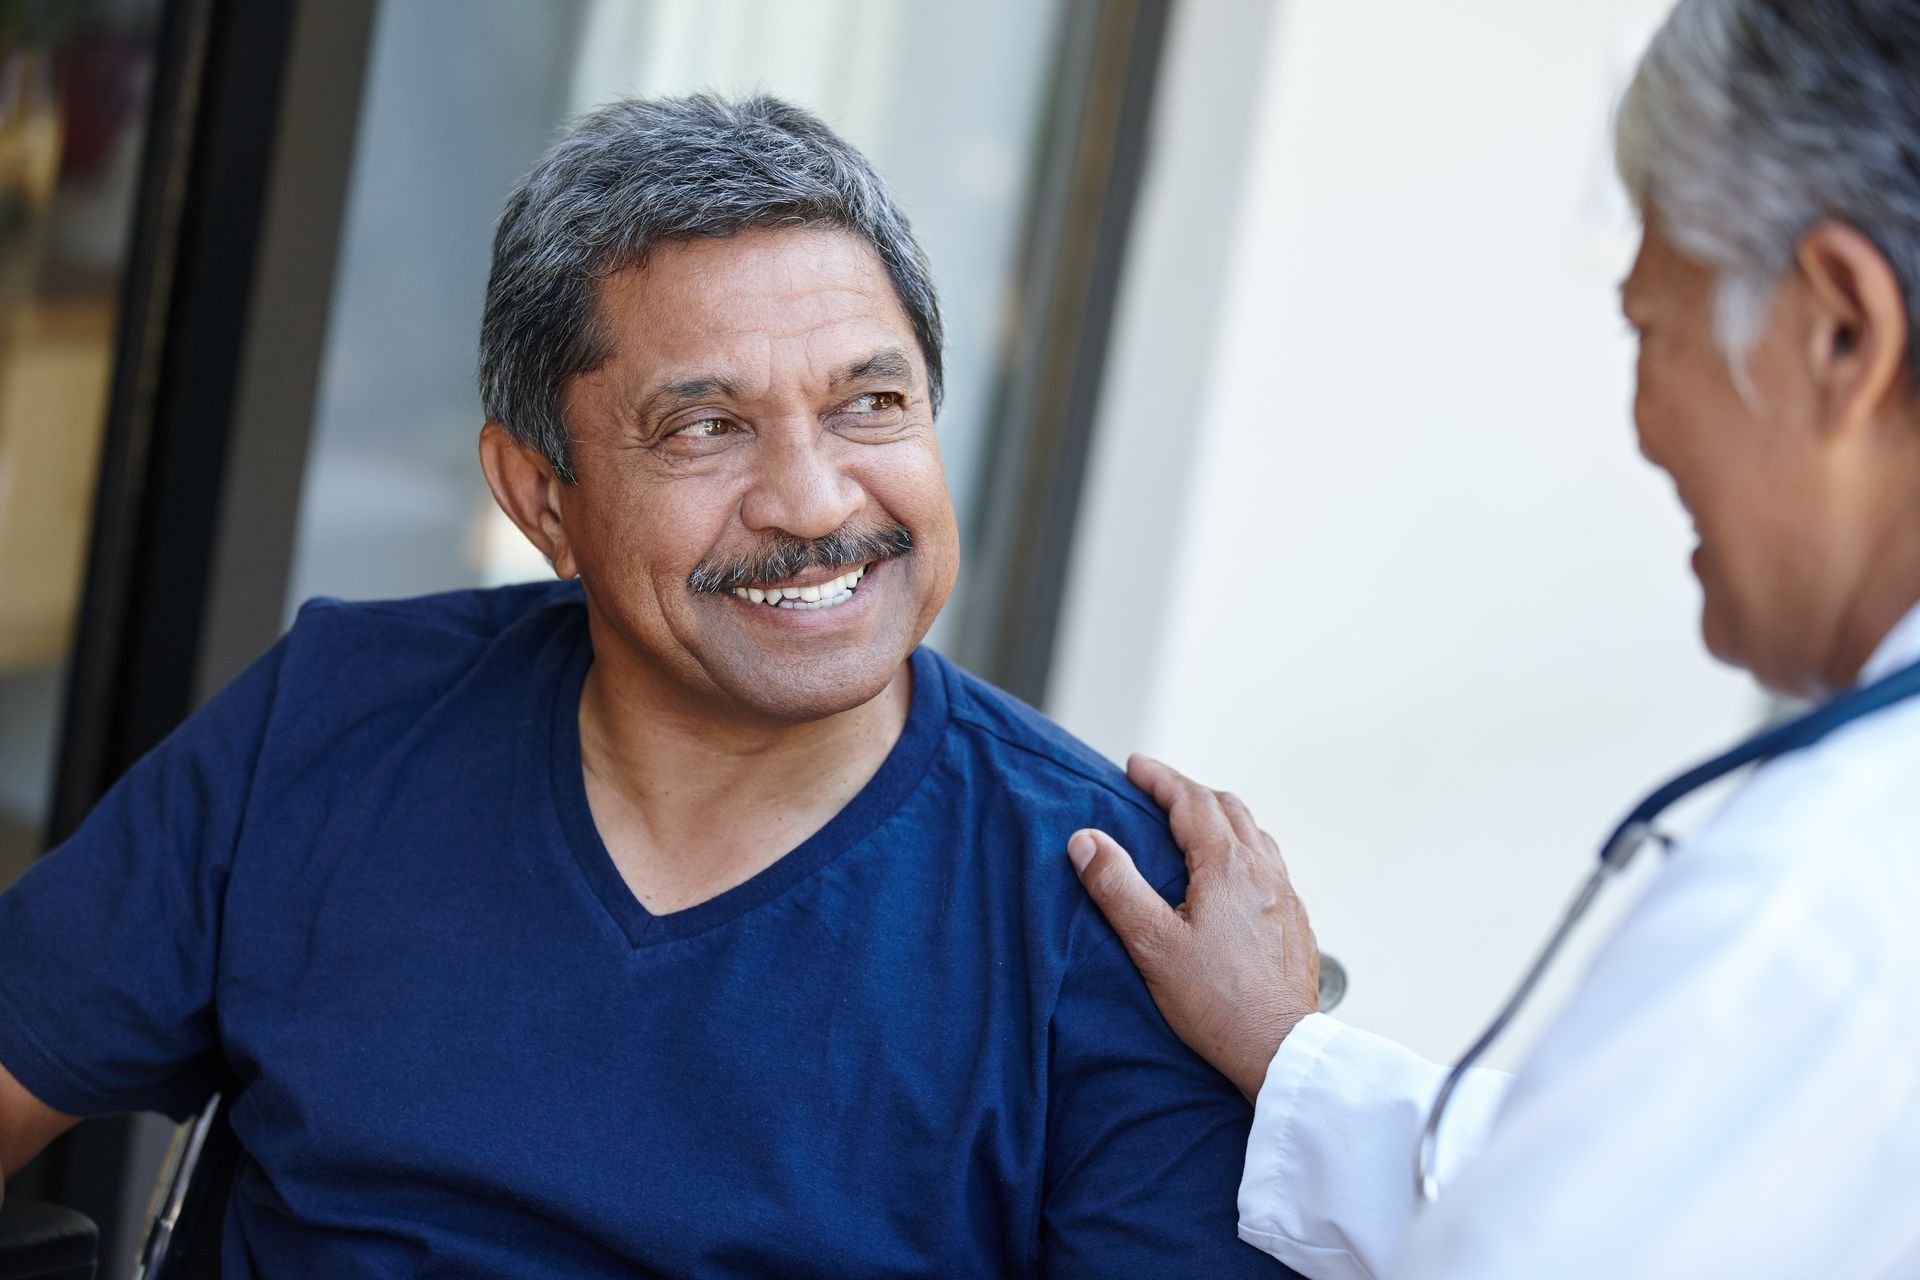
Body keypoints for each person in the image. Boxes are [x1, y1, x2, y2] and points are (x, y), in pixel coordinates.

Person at [0, 95, 1294, 1276]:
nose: (811, 501)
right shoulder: (340, 721)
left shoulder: (1109, 911)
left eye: (871, 403)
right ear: (538, 498)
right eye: (705, 428)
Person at [1069, 1, 1920, 1276]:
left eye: (1651, 330)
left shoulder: (1812, 914)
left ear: (1838, 332)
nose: (1642, 424)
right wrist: (1292, 1052)